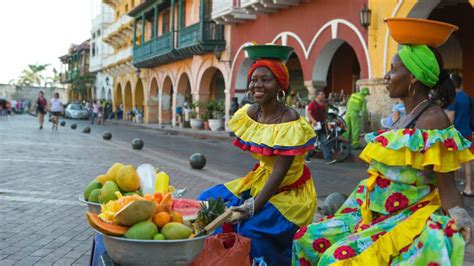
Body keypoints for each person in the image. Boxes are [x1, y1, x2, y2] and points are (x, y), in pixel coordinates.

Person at [293, 32, 473, 264]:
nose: (386, 76)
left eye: (393, 69)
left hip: (405, 216)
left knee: (335, 259)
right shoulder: (403, 117)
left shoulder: (432, 119)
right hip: (371, 211)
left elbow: (446, 184)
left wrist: (460, 216)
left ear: (413, 78)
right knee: (305, 238)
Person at [198, 49, 317, 265]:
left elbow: (280, 173)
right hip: (259, 180)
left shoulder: (289, 118)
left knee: (250, 228)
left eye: (266, 79)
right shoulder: (251, 113)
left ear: (280, 85)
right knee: (207, 201)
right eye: (253, 80)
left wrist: (252, 206)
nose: (257, 85)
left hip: (290, 193)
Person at [446, 73, 473, 197]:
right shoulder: (467, 97)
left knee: (451, 160)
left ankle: (452, 189)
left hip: (456, 134)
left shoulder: (453, 98)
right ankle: (468, 188)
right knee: (467, 161)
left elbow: (450, 118)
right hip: (467, 132)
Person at [305, 89, 331, 162]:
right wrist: (313, 120)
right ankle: (307, 156)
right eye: (322, 94)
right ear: (317, 95)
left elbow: (325, 115)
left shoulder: (324, 104)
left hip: (322, 125)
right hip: (314, 126)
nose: (324, 96)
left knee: (324, 141)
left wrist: (327, 123)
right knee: (311, 141)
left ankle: (328, 159)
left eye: (323, 94)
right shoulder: (312, 103)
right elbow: (308, 113)